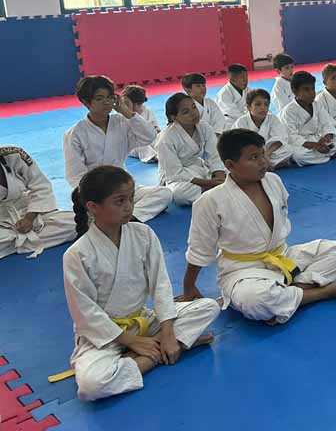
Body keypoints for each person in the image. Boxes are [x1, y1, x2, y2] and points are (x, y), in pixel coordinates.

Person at [62, 166, 218, 401]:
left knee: (209, 306)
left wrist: (166, 331)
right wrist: (132, 341)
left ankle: (155, 349)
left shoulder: (143, 234)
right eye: (119, 201)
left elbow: (161, 285)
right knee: (90, 386)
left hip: (143, 320)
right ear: (93, 207)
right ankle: (160, 353)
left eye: (131, 198)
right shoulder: (77, 254)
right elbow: (85, 314)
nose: (129, 206)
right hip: (104, 334)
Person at [182, 130, 336, 323]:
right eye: (253, 157)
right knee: (254, 300)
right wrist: (189, 287)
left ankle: (293, 294)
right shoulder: (210, 201)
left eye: (262, 154)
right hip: (242, 270)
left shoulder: (273, 181)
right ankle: (319, 293)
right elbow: (199, 250)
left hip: (283, 257)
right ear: (230, 165)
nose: (263, 161)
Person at [64, 76, 173, 222]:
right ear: (85, 102)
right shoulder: (75, 134)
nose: (107, 102)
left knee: (164, 193)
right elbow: (75, 175)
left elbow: (149, 137)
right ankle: (116, 213)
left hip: (123, 185)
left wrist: (126, 112)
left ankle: (131, 217)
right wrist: (93, 197)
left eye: (110, 97)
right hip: (97, 192)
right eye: (100, 98)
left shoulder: (122, 122)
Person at [0, 146, 75, 259]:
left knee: (76, 222)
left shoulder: (14, 155)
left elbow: (41, 186)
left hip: (27, 210)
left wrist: (29, 218)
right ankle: (21, 240)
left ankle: (15, 243)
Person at [156, 94, 226, 206]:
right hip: (176, 177)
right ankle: (215, 193)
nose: (193, 113)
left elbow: (214, 155)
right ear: (174, 117)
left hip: (198, 167)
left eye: (194, 107)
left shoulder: (204, 127)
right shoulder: (166, 139)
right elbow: (174, 173)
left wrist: (219, 175)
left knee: (232, 169)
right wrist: (209, 183)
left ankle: (215, 191)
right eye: (185, 112)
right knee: (179, 194)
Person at [279, 71, 336, 165]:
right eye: (306, 90)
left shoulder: (317, 105)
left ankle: (324, 155)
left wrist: (326, 137)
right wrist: (314, 145)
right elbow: (291, 136)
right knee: (298, 155)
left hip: (319, 139)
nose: (311, 93)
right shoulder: (289, 111)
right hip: (303, 143)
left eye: (313, 89)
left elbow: (327, 123)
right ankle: (332, 154)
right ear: (294, 91)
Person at [232, 89, 294, 169]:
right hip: (250, 154)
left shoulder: (272, 119)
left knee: (288, 150)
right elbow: (238, 145)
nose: (263, 108)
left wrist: (266, 155)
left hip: (269, 152)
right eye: (258, 104)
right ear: (249, 107)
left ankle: (260, 166)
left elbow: (279, 138)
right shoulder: (241, 122)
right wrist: (259, 156)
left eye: (266, 104)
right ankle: (265, 165)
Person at [122, 86, 160, 164]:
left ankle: (165, 153)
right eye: (133, 104)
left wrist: (157, 131)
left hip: (149, 139)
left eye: (139, 104)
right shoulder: (121, 115)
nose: (136, 107)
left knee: (161, 140)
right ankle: (153, 157)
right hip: (132, 145)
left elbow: (155, 129)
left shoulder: (147, 111)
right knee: (143, 144)